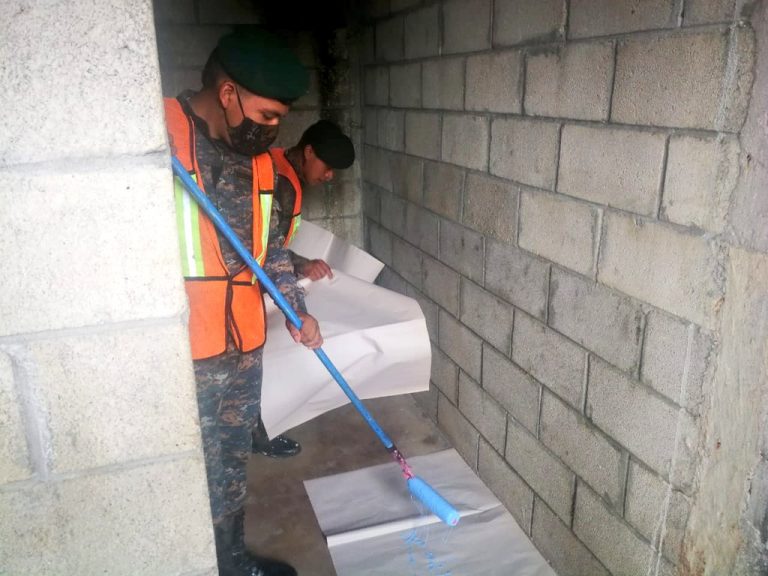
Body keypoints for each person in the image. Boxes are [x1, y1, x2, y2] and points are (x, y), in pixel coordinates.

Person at [165, 29, 321, 576]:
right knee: (183, 469)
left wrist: (296, 309)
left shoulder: (257, 163)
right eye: (267, 114)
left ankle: (229, 560)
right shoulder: (155, 139)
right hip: (181, 351)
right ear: (228, 93)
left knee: (231, 460)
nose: (273, 129)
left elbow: (269, 249)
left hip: (242, 341)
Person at [250, 120, 355, 458]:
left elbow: (269, 244)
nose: (330, 176)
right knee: (249, 364)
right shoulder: (278, 180)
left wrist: (301, 264)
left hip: (255, 280)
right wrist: (298, 311)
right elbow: (265, 250)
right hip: (242, 288)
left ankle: (256, 431)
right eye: (327, 166)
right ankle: (257, 434)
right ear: (308, 151)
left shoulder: (283, 169)